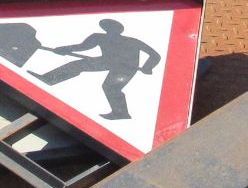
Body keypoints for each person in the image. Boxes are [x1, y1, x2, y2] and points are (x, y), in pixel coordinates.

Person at [30, 19, 159, 122]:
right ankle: (49, 78)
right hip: (107, 61)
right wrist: (65, 49)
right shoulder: (99, 37)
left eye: (111, 28)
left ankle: (121, 113)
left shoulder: (133, 41)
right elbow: (83, 47)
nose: (109, 30)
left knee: (110, 87)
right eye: (107, 27)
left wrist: (148, 67)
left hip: (126, 67)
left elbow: (155, 55)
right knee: (78, 64)